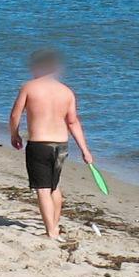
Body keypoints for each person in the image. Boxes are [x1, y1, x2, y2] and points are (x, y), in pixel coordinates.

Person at [7, 49, 96, 241]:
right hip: (61, 145)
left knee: (43, 189)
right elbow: (73, 122)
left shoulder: (29, 87)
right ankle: (55, 225)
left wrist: (14, 134)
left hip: (39, 144)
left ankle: (51, 231)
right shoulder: (67, 92)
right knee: (54, 187)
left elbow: (15, 114)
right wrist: (85, 150)